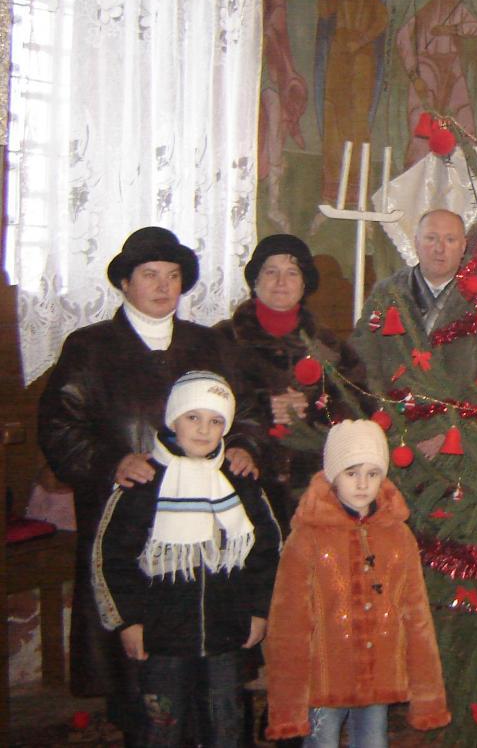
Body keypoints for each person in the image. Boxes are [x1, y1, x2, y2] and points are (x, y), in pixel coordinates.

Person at [38, 226, 261, 742]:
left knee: (212, 665)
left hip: (205, 524)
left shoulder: (210, 345)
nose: (163, 287)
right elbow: (59, 426)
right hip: (129, 518)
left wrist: (245, 445)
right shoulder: (90, 348)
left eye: (173, 276)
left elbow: (246, 410)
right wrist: (109, 463)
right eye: (150, 275)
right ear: (125, 282)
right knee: (140, 671)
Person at [93, 372, 280, 748]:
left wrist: (259, 612)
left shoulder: (239, 481)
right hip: (160, 637)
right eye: (193, 417)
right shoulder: (144, 483)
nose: (203, 429)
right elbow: (112, 557)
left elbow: (267, 552)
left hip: (227, 634)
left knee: (226, 722)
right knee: (161, 724)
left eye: (215, 420)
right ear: (173, 419)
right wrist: (128, 621)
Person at [265, 419, 451, 742]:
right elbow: (288, 623)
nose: (363, 484)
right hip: (324, 680)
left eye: (373, 473)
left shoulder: (398, 536)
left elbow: (417, 616)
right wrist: (287, 706)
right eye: (352, 473)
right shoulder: (307, 538)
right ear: (333, 475)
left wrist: (428, 698)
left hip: (378, 676)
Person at [215, 234, 366, 528]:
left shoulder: (329, 346)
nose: (281, 282)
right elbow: (204, 407)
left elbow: (358, 405)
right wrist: (264, 407)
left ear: (304, 283)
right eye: (271, 271)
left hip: (314, 484)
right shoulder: (222, 340)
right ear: (255, 281)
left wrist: (311, 409)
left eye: (292, 273)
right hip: (244, 477)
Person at [351, 210, 474, 456]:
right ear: (416, 242)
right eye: (431, 238)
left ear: (463, 247)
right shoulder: (387, 294)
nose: (439, 248)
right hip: (393, 430)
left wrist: (450, 430)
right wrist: (387, 417)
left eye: (450, 240)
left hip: (460, 438)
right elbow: (363, 360)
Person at [314, 0, 388, 218]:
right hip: (338, 52)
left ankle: (358, 193)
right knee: (333, 113)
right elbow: (325, 12)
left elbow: (382, 18)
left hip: (362, 54)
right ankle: (331, 190)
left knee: (358, 118)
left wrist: (362, 40)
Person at [395, 0, 477, 169]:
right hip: (426, 63)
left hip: (452, 65)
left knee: (464, 121)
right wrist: (414, 75)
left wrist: (452, 29)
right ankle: (416, 180)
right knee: (423, 121)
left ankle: (465, 181)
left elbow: (475, 27)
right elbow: (403, 35)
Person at [260, 0, 308, 232]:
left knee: (275, 113)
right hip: (237, 51)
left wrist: (268, 29)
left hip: (267, 48)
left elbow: (278, 5)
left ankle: (274, 200)